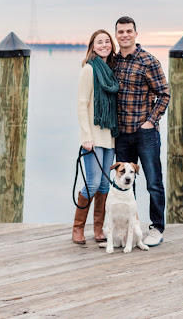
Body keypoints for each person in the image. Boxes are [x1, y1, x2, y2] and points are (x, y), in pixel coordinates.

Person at [113, 16, 170, 247]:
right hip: (121, 134)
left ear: (136, 34)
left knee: (153, 182)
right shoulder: (113, 62)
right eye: (120, 32)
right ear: (116, 35)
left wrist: (151, 121)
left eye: (129, 31)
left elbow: (164, 94)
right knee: (126, 183)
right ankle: (129, 228)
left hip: (145, 133)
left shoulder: (149, 61)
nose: (124, 35)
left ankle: (156, 228)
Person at [72, 29, 120, 244]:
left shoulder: (110, 71)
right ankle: (77, 229)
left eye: (107, 42)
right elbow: (82, 105)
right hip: (92, 137)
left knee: (104, 185)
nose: (104, 45)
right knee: (91, 183)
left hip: (108, 136)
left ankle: (98, 229)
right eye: (99, 42)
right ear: (92, 46)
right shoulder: (89, 70)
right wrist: (86, 138)